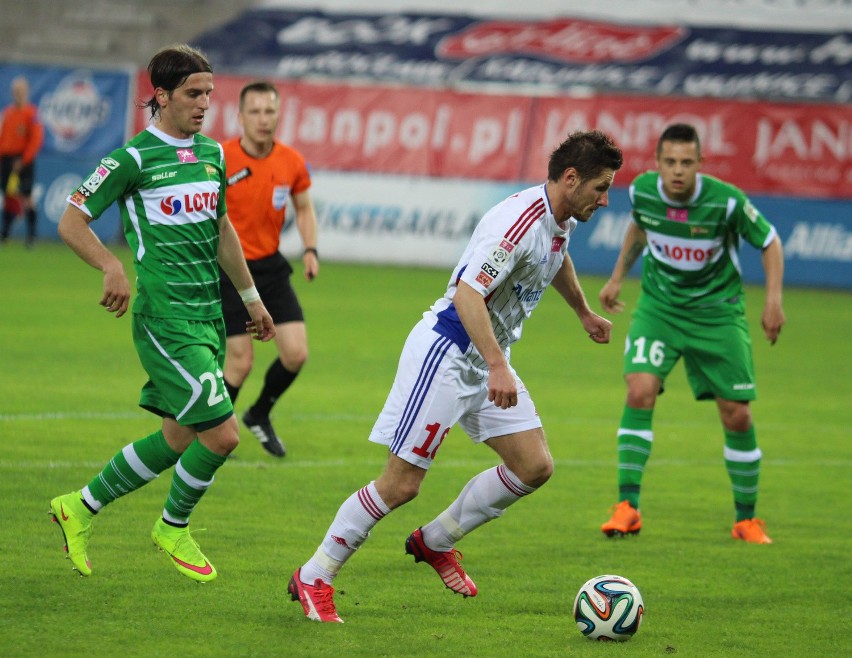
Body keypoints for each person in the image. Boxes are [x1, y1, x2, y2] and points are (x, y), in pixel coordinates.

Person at [288, 130, 624, 623]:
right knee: (401, 484)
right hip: (447, 353)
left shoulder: (558, 217)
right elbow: (469, 295)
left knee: (534, 466)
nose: (606, 198)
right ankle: (315, 574)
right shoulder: (517, 224)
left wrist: (583, 312)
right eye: (601, 187)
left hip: (488, 356)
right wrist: (497, 364)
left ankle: (435, 541)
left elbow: (555, 258)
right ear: (571, 178)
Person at [48, 44, 276, 582]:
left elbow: (222, 231)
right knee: (222, 436)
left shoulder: (213, 155)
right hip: (165, 319)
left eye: (208, 94)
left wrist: (251, 299)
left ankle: (78, 507)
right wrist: (111, 266)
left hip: (207, 317)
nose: (203, 104)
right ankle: (172, 526)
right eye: (193, 94)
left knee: (178, 437)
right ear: (162, 95)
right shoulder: (130, 159)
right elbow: (71, 222)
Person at [598, 123, 785, 545]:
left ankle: (746, 520)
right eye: (670, 162)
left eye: (686, 162)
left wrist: (773, 301)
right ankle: (627, 507)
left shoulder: (726, 203)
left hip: (717, 316)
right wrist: (616, 278)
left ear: (700, 164)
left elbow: (770, 242)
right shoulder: (643, 192)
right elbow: (640, 226)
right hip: (660, 309)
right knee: (639, 389)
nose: (677, 171)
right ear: (658, 163)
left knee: (736, 413)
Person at [220, 80, 319, 458]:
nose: (264, 119)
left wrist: (310, 249)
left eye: (270, 111)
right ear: (240, 116)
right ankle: (213, 436)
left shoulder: (291, 161)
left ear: (279, 115)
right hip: (230, 269)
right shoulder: (221, 158)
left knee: (295, 354)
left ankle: (259, 413)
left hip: (271, 269)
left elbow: (305, 208)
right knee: (241, 362)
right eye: (256, 112)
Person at [0, 76, 44, 247]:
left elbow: (36, 140)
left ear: (26, 92)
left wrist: (24, 159)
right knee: (8, 196)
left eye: (20, 91)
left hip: (23, 159)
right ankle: (5, 234)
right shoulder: (8, 113)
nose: (17, 94)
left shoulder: (32, 114)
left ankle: (31, 236)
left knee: (27, 197)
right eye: (15, 91)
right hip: (6, 159)